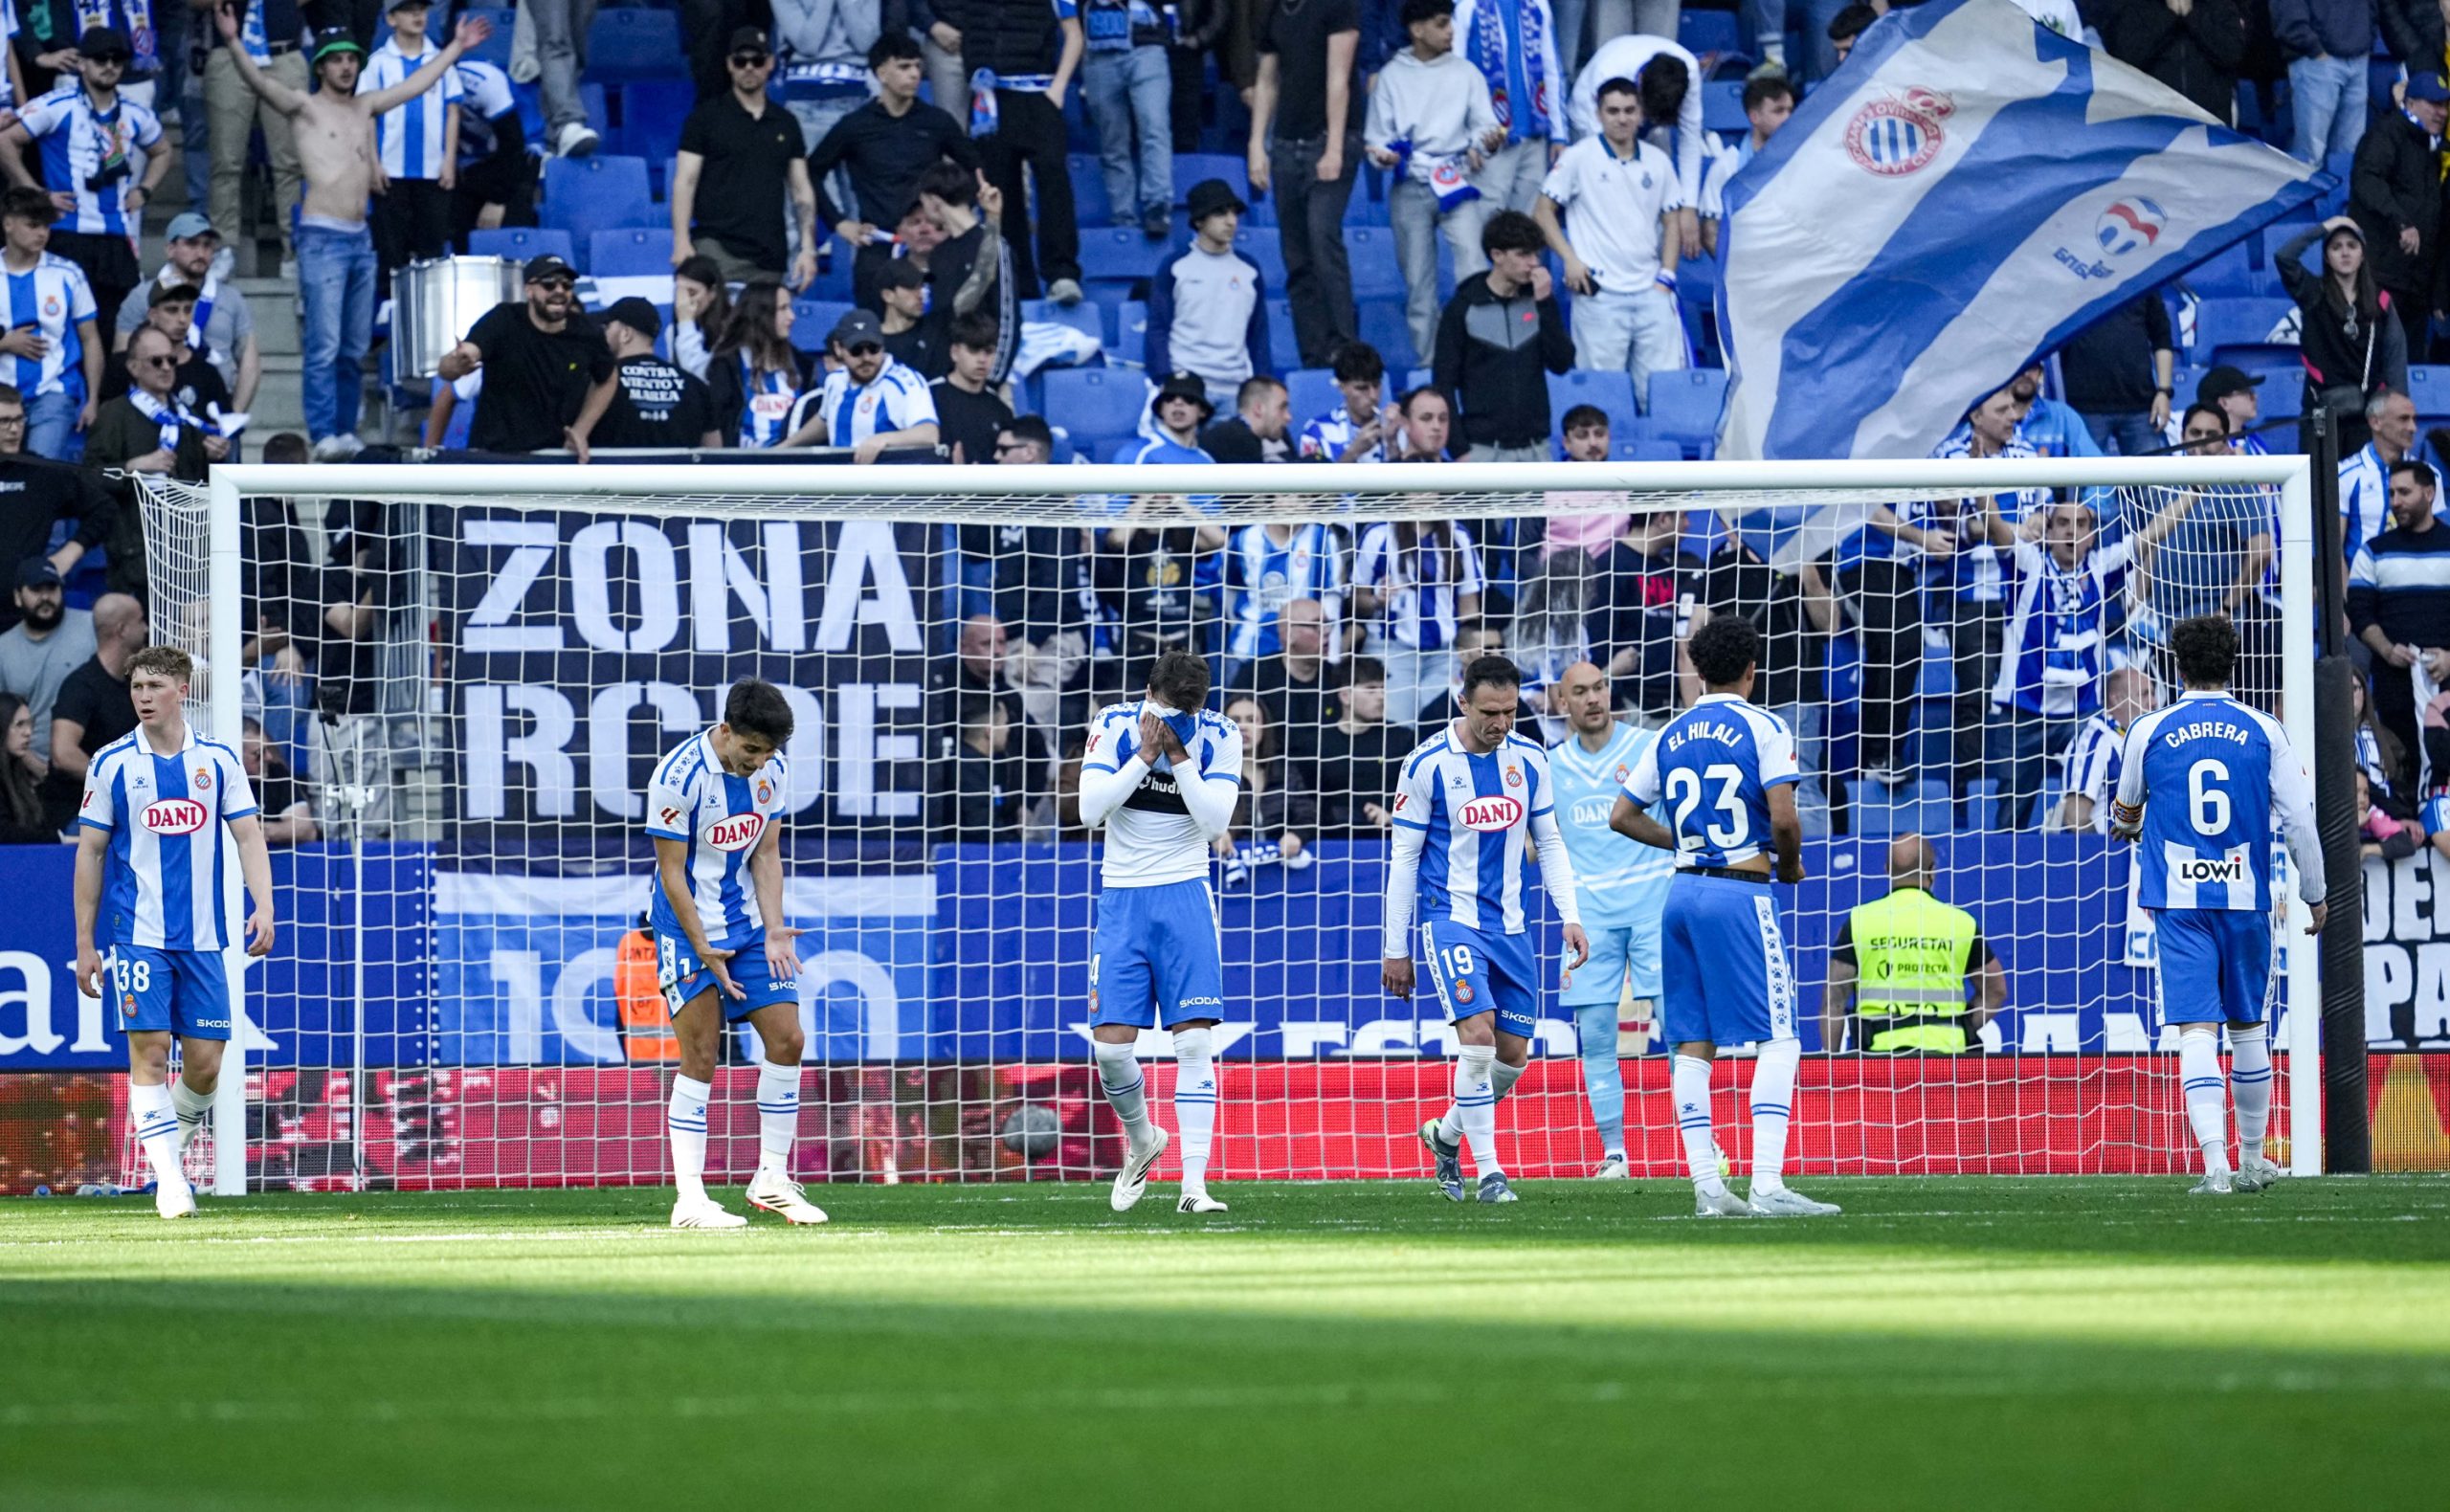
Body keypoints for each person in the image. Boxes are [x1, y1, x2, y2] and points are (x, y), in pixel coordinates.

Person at [1612, 612, 1838, 1218]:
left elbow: (1622, 816)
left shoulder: (1670, 732)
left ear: (1698, 669)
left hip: (1680, 894)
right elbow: (1786, 819)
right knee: (1781, 1037)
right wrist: (1788, 866)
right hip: (1739, 891)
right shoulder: (1764, 725)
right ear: (1750, 669)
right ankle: (1766, 1185)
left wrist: (1684, 844)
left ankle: (1708, 1190)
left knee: (1691, 1042)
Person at [2109, 612, 2326, 1195]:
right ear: (2233, 663)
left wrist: (2127, 825)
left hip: (2179, 903)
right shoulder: (2266, 729)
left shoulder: (2150, 729)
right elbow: (2301, 821)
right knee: (2249, 1027)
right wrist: (2316, 893)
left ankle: (2215, 1167)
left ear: (2177, 666)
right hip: (2247, 896)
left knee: (2197, 1031)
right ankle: (2254, 1159)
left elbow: (2125, 813)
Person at [217, 10, 494, 460]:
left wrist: (455, 49)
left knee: (351, 348)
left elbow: (416, 84)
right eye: (336, 59)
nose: (346, 66)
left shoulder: (364, 106)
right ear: (320, 67)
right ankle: (323, 431)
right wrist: (233, 43)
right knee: (324, 347)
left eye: (351, 59)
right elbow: (261, 84)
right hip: (322, 239)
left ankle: (343, 431)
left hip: (359, 240)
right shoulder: (306, 107)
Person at [72, 644, 275, 1219]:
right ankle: (170, 1182)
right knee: (151, 1052)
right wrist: (86, 943)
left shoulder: (219, 762)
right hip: (136, 932)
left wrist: (263, 904)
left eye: (155, 686)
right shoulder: (111, 763)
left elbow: (249, 837)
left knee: (207, 1063)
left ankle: (170, 1158)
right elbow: (90, 853)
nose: (143, 697)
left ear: (182, 690)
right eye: (137, 687)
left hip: (207, 937)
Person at [1385, 653, 1588, 1203]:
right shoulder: (1426, 763)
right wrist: (1395, 948)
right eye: (1489, 713)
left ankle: (1446, 1136)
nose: (1500, 723)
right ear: (1462, 702)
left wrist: (1569, 914)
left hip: (1512, 927)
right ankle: (1490, 1172)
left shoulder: (1531, 759)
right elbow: (1404, 859)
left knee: (1512, 1057)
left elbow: (1547, 842)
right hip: (1448, 918)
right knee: (1475, 1038)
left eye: (1509, 711)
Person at [645, 678, 830, 1229]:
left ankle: (771, 1178)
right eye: (751, 749)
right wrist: (701, 944)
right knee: (701, 1056)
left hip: (748, 927)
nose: (760, 761)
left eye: (769, 752)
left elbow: (767, 854)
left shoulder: (772, 770)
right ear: (725, 732)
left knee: (789, 1039)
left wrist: (774, 929)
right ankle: (690, 1200)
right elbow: (671, 872)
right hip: (686, 930)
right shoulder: (677, 777)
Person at [1072, 648, 1244, 1214]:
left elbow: (1215, 823)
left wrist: (1179, 754)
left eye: (1188, 711)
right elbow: (1089, 811)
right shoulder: (1115, 724)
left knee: (1194, 1041)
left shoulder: (1220, 735)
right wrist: (1146, 756)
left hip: (1186, 895)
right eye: (1170, 709)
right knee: (1111, 1052)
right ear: (1150, 693)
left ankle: (1194, 1188)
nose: (1177, 721)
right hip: (1123, 899)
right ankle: (1144, 1138)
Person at [1548, 659, 1669, 1179]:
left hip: (1655, 904)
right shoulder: (1549, 766)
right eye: (1581, 691)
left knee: (1682, 1030)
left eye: (1599, 687)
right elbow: (1536, 841)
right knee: (1596, 1036)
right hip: (1588, 915)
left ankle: (1702, 1143)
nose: (1594, 698)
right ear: (1562, 702)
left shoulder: (1648, 746)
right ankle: (1615, 1153)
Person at [0, 29, 166, 345]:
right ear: (82, 64)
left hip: (116, 238)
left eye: (117, 59)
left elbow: (163, 151)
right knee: (63, 331)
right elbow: (6, 141)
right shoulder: (57, 105)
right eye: (100, 59)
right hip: (66, 235)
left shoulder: (134, 113)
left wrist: (144, 190)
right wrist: (37, 193)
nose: (109, 66)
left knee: (121, 333)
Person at [1367, 0, 1502, 364]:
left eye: (1450, 23)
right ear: (1417, 29)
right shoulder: (1392, 76)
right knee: (1418, 285)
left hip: (1457, 181)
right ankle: (1430, 364)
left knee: (1475, 269)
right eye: (1442, 24)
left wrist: (1484, 143)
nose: (1451, 31)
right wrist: (1384, 156)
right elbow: (1376, 140)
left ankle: (1480, 359)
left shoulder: (1466, 72)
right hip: (1410, 185)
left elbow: (1485, 126)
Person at [806, 32, 978, 315]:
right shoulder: (855, 126)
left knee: (941, 329)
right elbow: (811, 172)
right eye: (903, 67)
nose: (913, 74)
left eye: (917, 67)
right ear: (881, 73)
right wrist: (839, 224)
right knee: (873, 332)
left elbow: (976, 168)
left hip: (932, 246)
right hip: (879, 247)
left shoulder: (937, 122)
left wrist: (956, 215)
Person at [1537, 73, 1682, 402]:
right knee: (1602, 396)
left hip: (1652, 293)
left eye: (1629, 110)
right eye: (1613, 111)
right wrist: (1571, 260)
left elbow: (1672, 221)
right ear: (1598, 113)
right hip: (1599, 296)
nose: (1622, 118)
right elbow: (1542, 212)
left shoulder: (1659, 162)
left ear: (1641, 113)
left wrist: (1668, 276)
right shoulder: (1577, 157)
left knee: (1660, 393)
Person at [1988, 498, 2132, 830]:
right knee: (2011, 813)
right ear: (2048, 531)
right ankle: (2007, 877)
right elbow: (1995, 526)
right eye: (2063, 523)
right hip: (2023, 712)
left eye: (2081, 524)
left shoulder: (2100, 566)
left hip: (2080, 714)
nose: (2072, 531)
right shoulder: (2028, 563)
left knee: (2089, 797)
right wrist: (1982, 485)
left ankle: (2080, 870)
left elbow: (2150, 536)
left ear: (2092, 535)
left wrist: (2193, 489)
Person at [1249, 0, 1363, 367]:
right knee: (1296, 254)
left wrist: (1333, 147)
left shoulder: (1337, 6)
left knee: (1323, 236)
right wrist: (1256, 144)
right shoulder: (1271, 10)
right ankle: (1313, 355)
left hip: (1329, 138)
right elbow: (1266, 81)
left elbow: (1339, 79)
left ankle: (1345, 347)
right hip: (1285, 143)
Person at [1822, 834, 2005, 1055]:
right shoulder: (1961, 923)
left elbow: (1833, 1002)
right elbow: (1996, 992)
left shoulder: (1859, 921)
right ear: (1932, 870)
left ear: (1887, 869)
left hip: (1879, 1057)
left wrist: (1830, 1061)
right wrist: (1962, 1027)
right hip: (1948, 1058)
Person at [955, 0, 1085, 303]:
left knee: (1054, 181)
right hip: (992, 102)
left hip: (1038, 94)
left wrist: (1058, 88)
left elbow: (1074, 35)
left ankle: (1061, 274)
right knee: (1002, 191)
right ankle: (1016, 281)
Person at [672, 28, 820, 291]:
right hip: (717, 248)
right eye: (741, 61)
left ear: (770, 63)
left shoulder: (786, 123)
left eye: (758, 60)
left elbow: (802, 191)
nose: (749, 68)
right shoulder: (705, 118)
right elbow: (685, 181)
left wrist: (808, 249)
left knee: (765, 333)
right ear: (729, 64)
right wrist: (681, 241)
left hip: (771, 256)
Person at [439, 254, 617, 457]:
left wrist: (581, 429)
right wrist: (455, 364)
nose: (559, 291)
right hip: (496, 453)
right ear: (529, 290)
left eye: (567, 285)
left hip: (555, 455)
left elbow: (608, 377)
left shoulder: (587, 332)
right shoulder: (504, 320)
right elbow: (456, 362)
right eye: (549, 284)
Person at [1434, 210, 1572, 462]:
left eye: (1535, 254)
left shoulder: (1539, 301)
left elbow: (1562, 363)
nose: (1533, 263)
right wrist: (1458, 449)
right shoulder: (1463, 307)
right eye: (1523, 254)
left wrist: (1546, 304)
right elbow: (1443, 382)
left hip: (1536, 449)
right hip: (1483, 450)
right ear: (1497, 255)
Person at [2349, 458, 2450, 791]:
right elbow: (2361, 612)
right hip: (2394, 678)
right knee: (2403, 760)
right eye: (2391, 493)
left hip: (2447, 675)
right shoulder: (2373, 551)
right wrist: (2388, 650)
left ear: (2430, 492)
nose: (2396, 501)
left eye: (2404, 492)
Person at [2277, 217, 2407, 452]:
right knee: (2318, 486)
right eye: (2336, 247)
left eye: (2352, 246)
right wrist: (2323, 228)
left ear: (2362, 254)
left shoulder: (2381, 301)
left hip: (2367, 414)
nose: (2345, 253)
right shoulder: (2313, 293)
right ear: (2326, 257)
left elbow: (2395, 358)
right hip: (2320, 410)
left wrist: (2398, 412)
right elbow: (2284, 257)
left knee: (2363, 486)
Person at [199, 0, 308, 278]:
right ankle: (223, 247)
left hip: (283, 54)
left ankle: (293, 251)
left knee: (290, 164)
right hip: (228, 54)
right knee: (226, 161)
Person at [1568, 31, 1702, 255]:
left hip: (1648, 96)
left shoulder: (1689, 73)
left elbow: (1690, 139)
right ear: (1639, 86)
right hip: (1587, 117)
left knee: (1658, 184)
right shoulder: (1607, 72)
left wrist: (1689, 207)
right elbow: (1602, 153)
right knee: (1605, 187)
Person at [115, 211, 259, 414]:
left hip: (218, 407)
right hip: (157, 408)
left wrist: (233, 415)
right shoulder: (142, 296)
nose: (201, 253)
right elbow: (123, 357)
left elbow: (249, 361)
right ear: (170, 249)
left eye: (207, 245)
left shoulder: (232, 298)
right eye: (191, 244)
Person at [358, 0, 462, 282]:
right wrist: (373, 164)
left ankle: (428, 311)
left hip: (432, 169)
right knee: (391, 248)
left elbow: (452, 111)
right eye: (407, 9)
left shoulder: (439, 59)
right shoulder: (378, 63)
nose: (417, 15)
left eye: (422, 9)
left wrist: (449, 160)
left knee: (432, 248)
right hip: (390, 170)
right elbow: (366, 116)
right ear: (391, 19)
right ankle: (390, 306)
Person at [2349, 69, 2447, 361]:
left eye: (2445, 105)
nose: (2441, 113)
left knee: (2410, 372)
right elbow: (2367, 179)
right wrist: (2402, 221)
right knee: (2375, 366)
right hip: (2384, 278)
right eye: (2434, 104)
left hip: (2416, 285)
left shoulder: (2430, 147)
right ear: (2411, 103)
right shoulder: (2386, 134)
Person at [0, 184, 100, 463]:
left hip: (54, 392)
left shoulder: (68, 274)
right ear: (8, 223)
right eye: (32, 225)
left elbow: (90, 338)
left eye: (45, 226)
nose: (42, 233)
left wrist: (92, 399)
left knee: (40, 474)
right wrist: (5, 343)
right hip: (1, 396)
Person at [1147, 179, 1270, 405]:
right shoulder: (1175, 266)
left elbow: (1258, 333)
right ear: (1199, 220)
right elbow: (1158, 326)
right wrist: (1164, 378)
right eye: (1221, 214)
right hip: (1187, 390)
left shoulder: (1249, 269)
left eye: (1234, 213)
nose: (1231, 222)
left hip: (1236, 389)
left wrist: (1262, 385)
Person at [1352, 515, 1482, 722]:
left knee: (1440, 729)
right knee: (1398, 730)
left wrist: (1468, 650)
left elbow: (1470, 606)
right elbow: (1356, 601)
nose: (1423, 494)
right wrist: (1377, 599)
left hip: (1444, 654)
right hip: (1391, 650)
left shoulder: (1458, 535)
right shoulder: (1378, 534)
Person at [0, 408, 112, 631]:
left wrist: (67, 556)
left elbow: (104, 509)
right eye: (4, 421)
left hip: (25, 618)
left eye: (19, 419)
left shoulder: (41, 474)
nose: (14, 429)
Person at [1451, 0, 1566, 215]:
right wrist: (1464, 141)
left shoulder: (1538, 5)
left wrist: (1559, 135)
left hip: (1534, 136)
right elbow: (1454, 78)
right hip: (1488, 140)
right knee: (1486, 221)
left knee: (1527, 225)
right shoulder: (1467, 7)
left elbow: (1551, 70)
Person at [782, 307, 940, 461]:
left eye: (873, 348)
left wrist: (884, 439)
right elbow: (826, 419)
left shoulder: (905, 383)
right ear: (838, 349)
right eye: (856, 350)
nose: (866, 358)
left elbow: (929, 433)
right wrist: (785, 447)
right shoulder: (835, 381)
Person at [914, 160, 1016, 385]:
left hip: (983, 379)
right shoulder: (939, 253)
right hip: (943, 380)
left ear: (933, 200)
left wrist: (993, 380)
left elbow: (1008, 316)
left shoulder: (994, 244)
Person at [571, 298, 721, 452]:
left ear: (626, 334)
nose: (603, 334)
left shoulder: (600, 381)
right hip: (677, 474)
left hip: (613, 473)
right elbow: (714, 453)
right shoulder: (695, 385)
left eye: (607, 327)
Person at [1080, 0, 1175, 239]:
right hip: (1098, 47)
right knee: (1112, 141)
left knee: (1154, 126)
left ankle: (1157, 206)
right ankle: (1123, 216)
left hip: (1146, 45)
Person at [83, 324, 224, 483]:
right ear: (133, 367)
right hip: (133, 506)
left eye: (171, 360)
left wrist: (214, 456)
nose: (166, 367)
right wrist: (131, 467)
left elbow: (201, 478)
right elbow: (90, 476)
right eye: (156, 361)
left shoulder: (188, 416)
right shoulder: (113, 413)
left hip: (182, 506)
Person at [2057, 292, 2175, 457]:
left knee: (2150, 480)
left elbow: (2162, 338)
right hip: (2084, 406)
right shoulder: (2076, 279)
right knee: (2085, 479)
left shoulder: (2144, 279)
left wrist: (2164, 391)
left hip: (2140, 405)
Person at [1214, 691, 1316, 885]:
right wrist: (1214, 833)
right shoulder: (1212, 773)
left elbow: (1307, 813)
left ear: (1264, 726)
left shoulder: (1285, 771)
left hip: (1282, 874)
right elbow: (1198, 815)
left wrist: (1297, 834)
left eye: (1252, 719)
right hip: (1228, 875)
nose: (1243, 726)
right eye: (1235, 720)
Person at [0, 557, 95, 758]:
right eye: (36, 590)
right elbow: (3, 723)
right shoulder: (3, 648)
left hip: (89, 765)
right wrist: (31, 765)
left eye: (51, 588)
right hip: (29, 770)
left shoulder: (92, 627)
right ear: (18, 597)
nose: (45, 597)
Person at [1225, 594, 1336, 761]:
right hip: (1271, 772)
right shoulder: (1255, 675)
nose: (1326, 632)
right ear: (1288, 634)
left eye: (1327, 624)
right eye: (1317, 626)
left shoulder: (1338, 678)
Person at [2101, 0, 2246, 123]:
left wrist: (2191, 15)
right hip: (2153, 120)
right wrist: (2169, 16)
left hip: (2210, 121)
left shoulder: (2219, 4)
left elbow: (2232, 54)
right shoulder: (2134, 5)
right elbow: (2126, 57)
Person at [1698, 73, 1791, 259]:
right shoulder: (1727, 165)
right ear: (1754, 116)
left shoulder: (1799, 160)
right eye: (1778, 111)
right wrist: (1741, 273)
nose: (1787, 118)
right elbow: (1710, 232)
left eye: (1790, 110)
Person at [2055, 663, 2151, 834]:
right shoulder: (2095, 740)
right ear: (2117, 699)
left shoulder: (2144, 740)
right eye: (2144, 694)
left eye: (2153, 693)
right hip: (2112, 853)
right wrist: (2104, 854)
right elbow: (2074, 816)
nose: (2154, 702)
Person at [2273, 0, 2372, 167]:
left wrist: (2366, 38)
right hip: (2316, 61)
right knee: (2309, 156)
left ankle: (2342, 193)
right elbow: (2287, 10)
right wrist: (2313, 48)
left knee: (2349, 156)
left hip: (2358, 57)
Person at [446, 50, 529, 245]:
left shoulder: (484, 83)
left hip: (508, 159)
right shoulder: (415, 88)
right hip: (464, 165)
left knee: (506, 224)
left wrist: (497, 200)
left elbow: (514, 146)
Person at [1313, 654, 1402, 836]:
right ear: (1345, 696)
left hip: (1387, 839)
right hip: (1329, 841)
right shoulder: (1317, 743)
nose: (1380, 697)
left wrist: (1394, 818)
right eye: (1371, 690)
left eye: (1382, 689)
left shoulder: (1401, 739)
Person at [2339, 388, 2422, 562]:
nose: (2413, 428)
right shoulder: (2344, 476)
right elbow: (2334, 552)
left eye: (2414, 419)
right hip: (2362, 582)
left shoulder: (2428, 475)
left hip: (2412, 581)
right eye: (2403, 419)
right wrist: (2350, 589)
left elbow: (2436, 539)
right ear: (2375, 422)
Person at [938, 691, 1032, 841]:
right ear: (989, 731)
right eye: (1004, 723)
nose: (1008, 729)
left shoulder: (983, 762)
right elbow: (980, 827)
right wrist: (1014, 845)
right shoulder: (968, 767)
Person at [930, 311, 1013, 465]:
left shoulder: (1000, 410)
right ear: (955, 352)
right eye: (973, 350)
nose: (982, 359)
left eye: (989, 352)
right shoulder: (928, 398)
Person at [1298, 340, 1396, 463]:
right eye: (1362, 388)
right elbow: (1311, 481)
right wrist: (1353, 452)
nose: (1373, 396)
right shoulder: (1317, 430)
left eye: (1376, 386)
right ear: (1342, 387)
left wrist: (1393, 442)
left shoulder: (1397, 426)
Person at [240, 712, 317, 844]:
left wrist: (259, 830)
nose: (269, 757)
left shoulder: (276, 773)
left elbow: (306, 829)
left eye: (267, 749)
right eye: (259, 753)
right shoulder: (216, 780)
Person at [2004, 361, 2101, 459]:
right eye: (2018, 367)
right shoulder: (1990, 416)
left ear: (2040, 373)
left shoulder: (2063, 415)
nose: (2025, 374)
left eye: (2032, 367)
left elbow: (2095, 465)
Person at [1128, 368, 1216, 464]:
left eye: (1189, 398)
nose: (1178, 403)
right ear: (1161, 409)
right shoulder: (1138, 454)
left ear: (1202, 410)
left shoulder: (1207, 461)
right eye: (1169, 398)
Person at [1198, 374, 1290, 464]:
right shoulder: (1237, 443)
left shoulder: (1240, 433)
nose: (1288, 417)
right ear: (1259, 409)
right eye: (1282, 408)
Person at [668, 256, 732, 383]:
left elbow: (702, 375)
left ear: (712, 292)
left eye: (692, 292)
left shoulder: (733, 328)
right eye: (679, 293)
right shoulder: (673, 331)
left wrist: (686, 323)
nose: (684, 301)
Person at [0, 692, 51, 841]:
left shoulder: (18, 772)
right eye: (19, 724)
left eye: (30, 724)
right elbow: (4, 832)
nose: (28, 732)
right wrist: (57, 839)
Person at [873, 257, 935, 376]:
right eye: (911, 288)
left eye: (921, 287)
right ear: (888, 296)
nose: (920, 295)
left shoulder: (934, 329)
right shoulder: (870, 345)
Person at [1388, 383, 1453, 462]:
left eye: (1443, 419)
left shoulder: (1461, 473)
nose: (1437, 426)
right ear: (1405, 423)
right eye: (1426, 418)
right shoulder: (1385, 473)